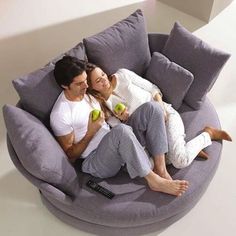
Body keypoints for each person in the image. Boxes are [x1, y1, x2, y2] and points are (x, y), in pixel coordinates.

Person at [50, 56, 189, 197]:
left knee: (152, 108)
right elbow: (70, 156)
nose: (85, 86)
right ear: (65, 86)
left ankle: (161, 169)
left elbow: (109, 121)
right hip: (96, 159)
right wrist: (91, 132)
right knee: (121, 131)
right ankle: (154, 181)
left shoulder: (88, 94)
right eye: (79, 84)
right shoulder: (60, 114)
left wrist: (121, 117)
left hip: (116, 141)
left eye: (86, 80)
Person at [86, 65, 232, 170]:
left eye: (103, 75)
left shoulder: (123, 75)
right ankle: (182, 147)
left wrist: (161, 108)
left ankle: (208, 134)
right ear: (92, 87)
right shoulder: (104, 108)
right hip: (149, 135)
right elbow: (124, 133)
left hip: (165, 115)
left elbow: (152, 88)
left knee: (180, 161)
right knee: (148, 164)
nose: (104, 80)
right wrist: (125, 119)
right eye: (98, 81)